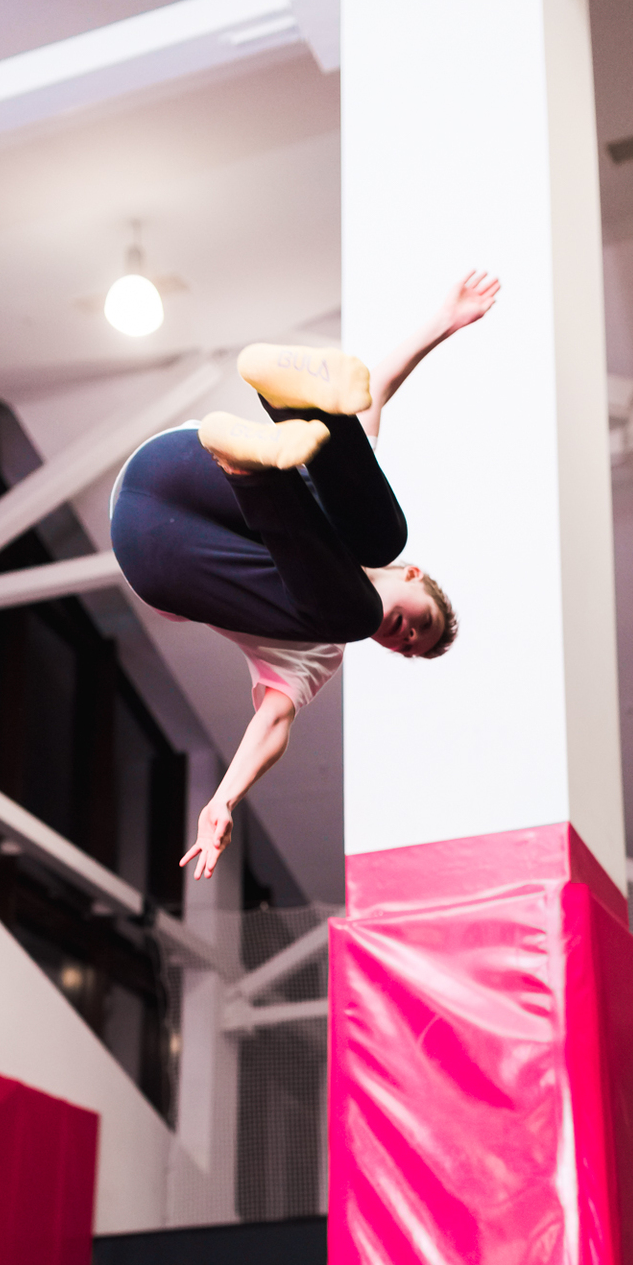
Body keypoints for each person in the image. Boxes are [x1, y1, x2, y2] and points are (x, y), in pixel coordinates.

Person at [110, 271, 499, 879]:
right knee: (378, 535)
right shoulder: (359, 519)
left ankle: (255, 462)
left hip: (159, 552)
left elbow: (273, 720)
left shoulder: (323, 643)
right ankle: (285, 406)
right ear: (412, 577)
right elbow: (374, 390)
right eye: (416, 623)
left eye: (405, 647)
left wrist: (224, 798)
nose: (401, 635)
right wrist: (443, 322)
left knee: (348, 613)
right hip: (182, 467)